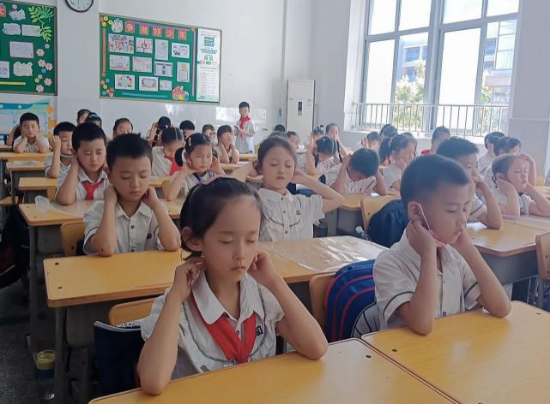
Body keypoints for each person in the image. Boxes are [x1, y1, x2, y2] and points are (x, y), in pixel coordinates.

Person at [137, 177, 328, 394]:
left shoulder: (262, 293)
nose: (241, 254)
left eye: (251, 240)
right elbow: (153, 381)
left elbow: (317, 347)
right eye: (227, 241)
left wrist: (274, 281)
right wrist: (174, 297)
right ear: (194, 240)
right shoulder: (176, 304)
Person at [374, 155, 511, 334]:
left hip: (447, 348)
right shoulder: (389, 263)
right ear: (416, 211)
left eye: (465, 208)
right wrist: (428, 255)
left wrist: (468, 249)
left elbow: (501, 307)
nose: (462, 219)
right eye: (452, 210)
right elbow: (423, 325)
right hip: (404, 352)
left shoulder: (453, 255)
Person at [83, 135, 180, 256]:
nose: (135, 184)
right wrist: (109, 204)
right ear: (110, 175)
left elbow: (174, 244)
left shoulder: (154, 210)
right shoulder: (97, 211)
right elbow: (105, 248)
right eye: (126, 177)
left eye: (143, 175)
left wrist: (156, 205)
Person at [232, 136, 343, 242]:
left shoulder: (302, 204)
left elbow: (338, 199)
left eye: (288, 165)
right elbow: (226, 189)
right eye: (274, 164)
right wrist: (248, 168)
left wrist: (305, 180)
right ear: (260, 167)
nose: (281, 170)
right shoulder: (253, 203)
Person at [437, 138, 502, 229]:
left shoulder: (469, 195)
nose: (475, 173)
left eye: (476, 166)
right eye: (469, 167)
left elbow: (495, 223)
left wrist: (487, 193)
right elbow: (456, 228)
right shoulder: (438, 196)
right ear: (448, 169)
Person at [55, 123, 109, 205]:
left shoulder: (110, 176)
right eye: (87, 153)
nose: (94, 159)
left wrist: (109, 171)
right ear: (74, 153)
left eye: (99, 153)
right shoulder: (67, 175)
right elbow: (65, 200)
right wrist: (74, 167)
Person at [164, 134, 224, 202]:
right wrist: (183, 173)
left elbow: (231, 194)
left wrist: (220, 171)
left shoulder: (214, 175)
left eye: (208, 156)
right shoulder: (181, 176)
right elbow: (170, 197)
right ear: (187, 156)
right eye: (199, 156)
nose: (204, 161)